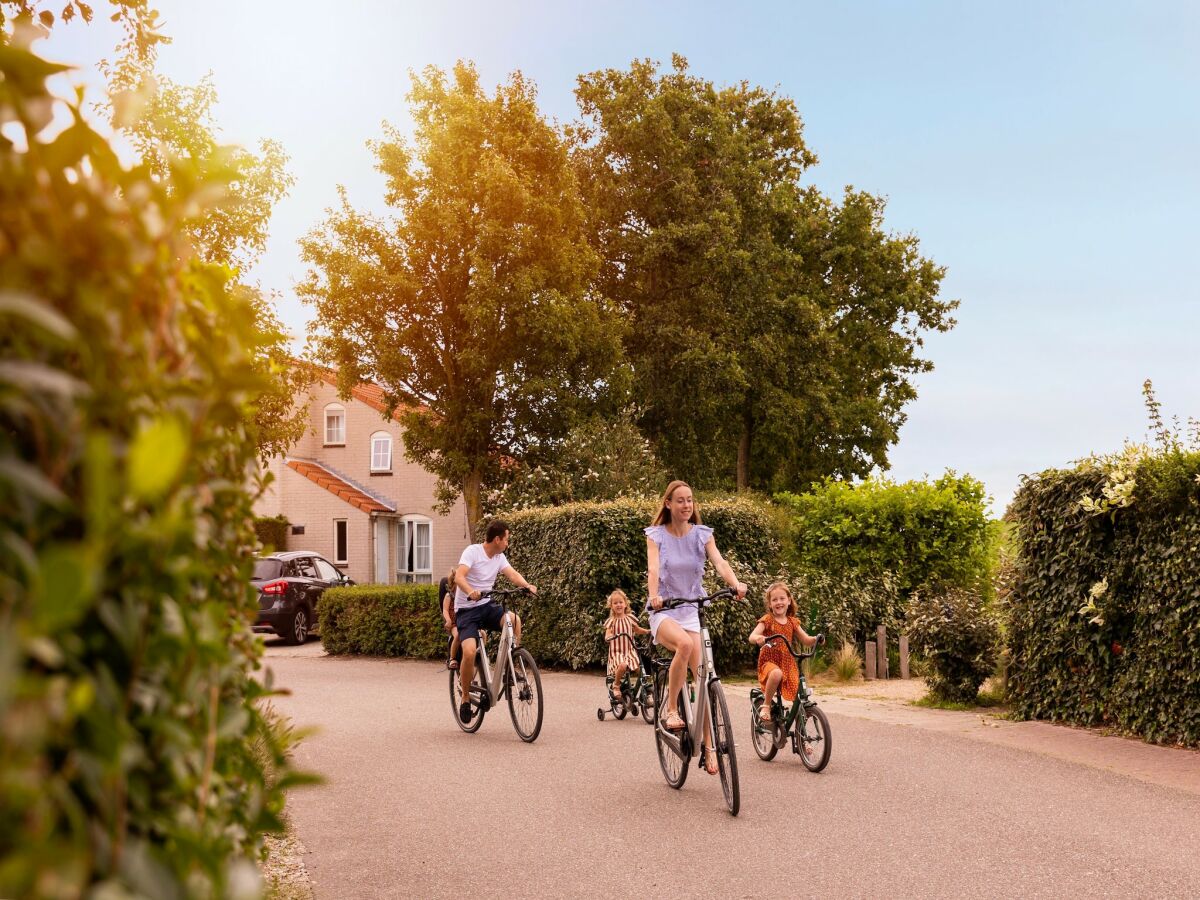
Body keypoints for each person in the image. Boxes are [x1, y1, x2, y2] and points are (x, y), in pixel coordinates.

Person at [646, 480, 747, 775]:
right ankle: (673, 709)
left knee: (703, 677)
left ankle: (709, 746)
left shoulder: (702, 535)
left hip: (693, 608)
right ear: (668, 504)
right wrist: (654, 596)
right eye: (680, 501)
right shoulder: (656, 535)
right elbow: (653, 568)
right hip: (665, 608)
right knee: (685, 646)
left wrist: (735, 584)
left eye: (690, 500)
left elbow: (719, 562)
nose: (686, 505)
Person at [454, 519, 538, 724]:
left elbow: (512, 574)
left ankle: (512, 663)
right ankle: (465, 697)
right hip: (467, 610)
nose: (508, 543)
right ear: (497, 539)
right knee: (469, 652)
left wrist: (527, 586)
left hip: (486, 606)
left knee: (514, 620)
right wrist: (470, 591)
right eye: (506, 539)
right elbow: (459, 576)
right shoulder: (472, 552)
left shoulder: (499, 557)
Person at [748, 582, 821, 722]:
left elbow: (805, 639)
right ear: (770, 604)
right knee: (776, 674)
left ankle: (803, 740)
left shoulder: (793, 622)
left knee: (799, 698)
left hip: (788, 663)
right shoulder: (767, 620)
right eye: (774, 600)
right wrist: (759, 638)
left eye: (782, 598)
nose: (779, 602)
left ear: (789, 600)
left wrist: (816, 639)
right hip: (769, 662)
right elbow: (751, 637)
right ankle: (766, 705)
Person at [603, 589, 650, 702]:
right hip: (617, 653)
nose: (618, 605)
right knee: (623, 665)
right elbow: (608, 634)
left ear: (625, 604)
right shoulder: (612, 621)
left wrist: (648, 631)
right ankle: (616, 685)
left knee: (640, 670)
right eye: (615, 603)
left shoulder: (630, 618)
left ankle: (646, 692)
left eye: (620, 602)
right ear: (611, 606)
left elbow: (637, 630)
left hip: (629, 650)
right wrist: (609, 637)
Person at [439, 565, 461, 670]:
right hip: (454, 623)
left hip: (464, 620)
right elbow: (445, 610)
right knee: (457, 635)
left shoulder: (464, 595)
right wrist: (448, 620)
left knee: (482, 633)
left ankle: (480, 652)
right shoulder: (449, 596)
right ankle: (452, 658)